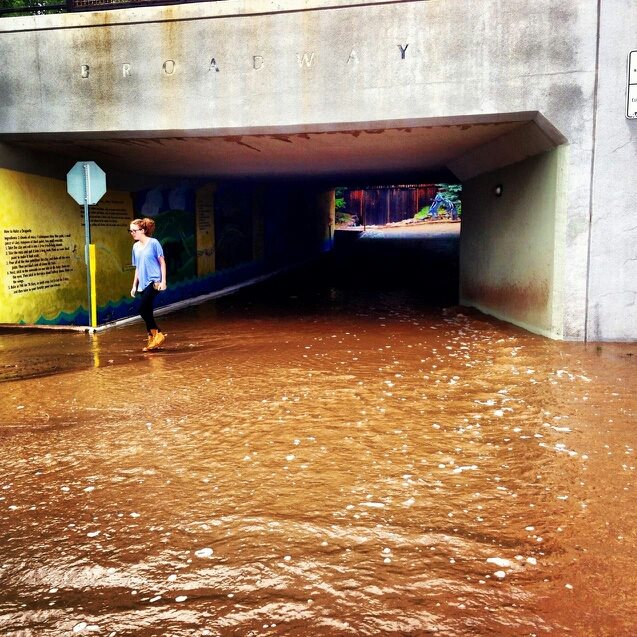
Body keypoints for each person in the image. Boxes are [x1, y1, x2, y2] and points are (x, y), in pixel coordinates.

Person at [129, 218, 167, 351]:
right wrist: (134, 286)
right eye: (130, 231)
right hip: (142, 283)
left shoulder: (154, 243)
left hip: (154, 281)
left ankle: (158, 333)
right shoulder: (135, 247)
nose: (132, 233)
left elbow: (162, 262)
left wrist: (163, 281)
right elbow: (137, 268)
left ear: (143, 230)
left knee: (142, 309)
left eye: (134, 230)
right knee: (148, 310)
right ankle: (152, 338)